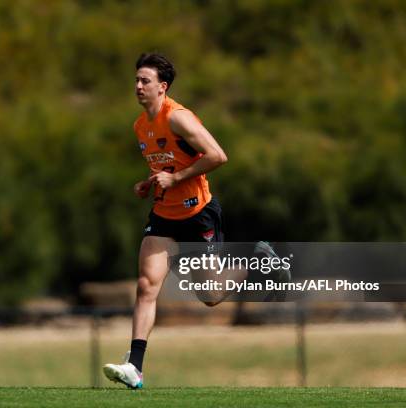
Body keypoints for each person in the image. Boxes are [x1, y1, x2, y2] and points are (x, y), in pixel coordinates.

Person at [102, 53, 289, 389]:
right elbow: (166, 164)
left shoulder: (179, 118)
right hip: (163, 215)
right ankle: (135, 367)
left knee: (210, 295)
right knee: (146, 286)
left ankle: (257, 258)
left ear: (163, 87)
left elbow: (218, 156)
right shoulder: (140, 126)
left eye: (145, 81)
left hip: (197, 212)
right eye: (136, 80)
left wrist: (176, 180)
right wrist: (150, 182)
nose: (138, 86)